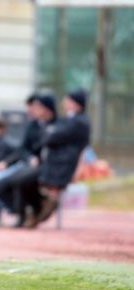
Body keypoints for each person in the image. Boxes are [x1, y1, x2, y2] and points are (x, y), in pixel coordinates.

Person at [0, 93, 57, 227]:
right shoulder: (32, 125)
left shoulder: (57, 126)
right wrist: (30, 157)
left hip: (47, 166)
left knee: (19, 180)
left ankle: (32, 210)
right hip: (29, 165)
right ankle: (25, 211)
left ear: (46, 108)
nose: (32, 110)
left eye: (36, 107)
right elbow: (23, 149)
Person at [28, 89, 91, 227]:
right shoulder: (70, 119)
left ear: (76, 104)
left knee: (32, 180)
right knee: (29, 180)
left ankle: (45, 205)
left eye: (68, 100)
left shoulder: (79, 121)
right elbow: (49, 136)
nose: (64, 103)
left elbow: (53, 137)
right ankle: (41, 207)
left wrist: (49, 135)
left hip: (63, 163)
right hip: (56, 161)